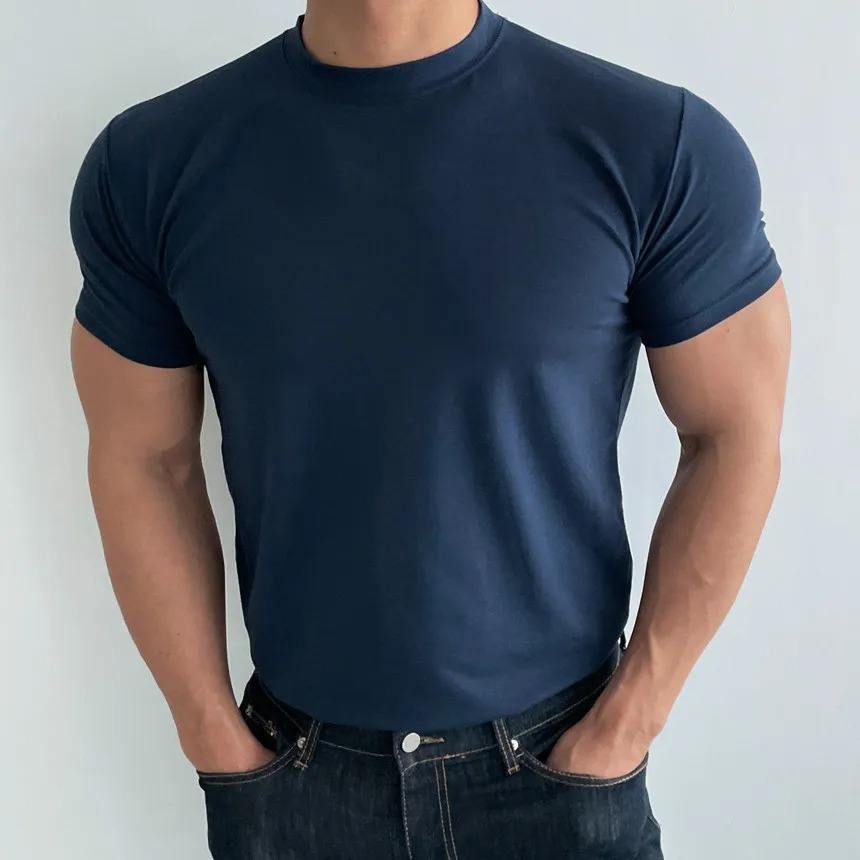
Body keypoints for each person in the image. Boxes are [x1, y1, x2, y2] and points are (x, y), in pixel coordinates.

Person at [68, 0, 790, 857]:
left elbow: (734, 434)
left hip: (560, 767)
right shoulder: (151, 163)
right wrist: (208, 732)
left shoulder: (653, 144)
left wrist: (627, 723)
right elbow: (144, 459)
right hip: (289, 775)